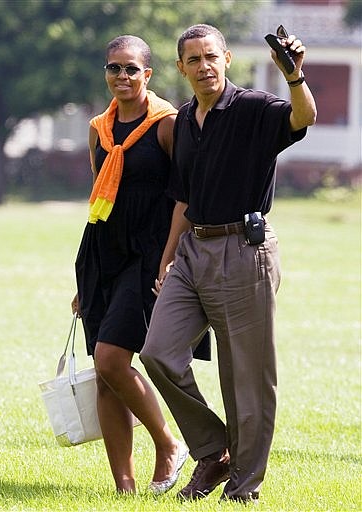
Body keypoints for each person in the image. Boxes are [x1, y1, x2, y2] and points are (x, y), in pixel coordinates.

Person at [140, 24, 317, 504]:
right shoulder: (184, 120)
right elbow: (182, 197)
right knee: (157, 352)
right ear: (181, 68)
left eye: (211, 57)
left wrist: (295, 77)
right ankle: (214, 450)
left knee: (246, 381)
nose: (204, 66)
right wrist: (169, 257)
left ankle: (244, 487)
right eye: (193, 60)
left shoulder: (254, 109)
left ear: (226, 59)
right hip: (193, 251)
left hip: (244, 251)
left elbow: (304, 118)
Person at [71, 34, 207, 494]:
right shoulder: (97, 128)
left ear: (148, 74)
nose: (122, 77)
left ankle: (169, 444)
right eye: (114, 68)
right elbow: (99, 197)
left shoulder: (167, 124)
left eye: (131, 69)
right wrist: (83, 279)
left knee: (111, 360)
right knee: (105, 375)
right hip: (101, 252)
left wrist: (170, 259)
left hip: (148, 255)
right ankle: (123, 489)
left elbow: (183, 198)